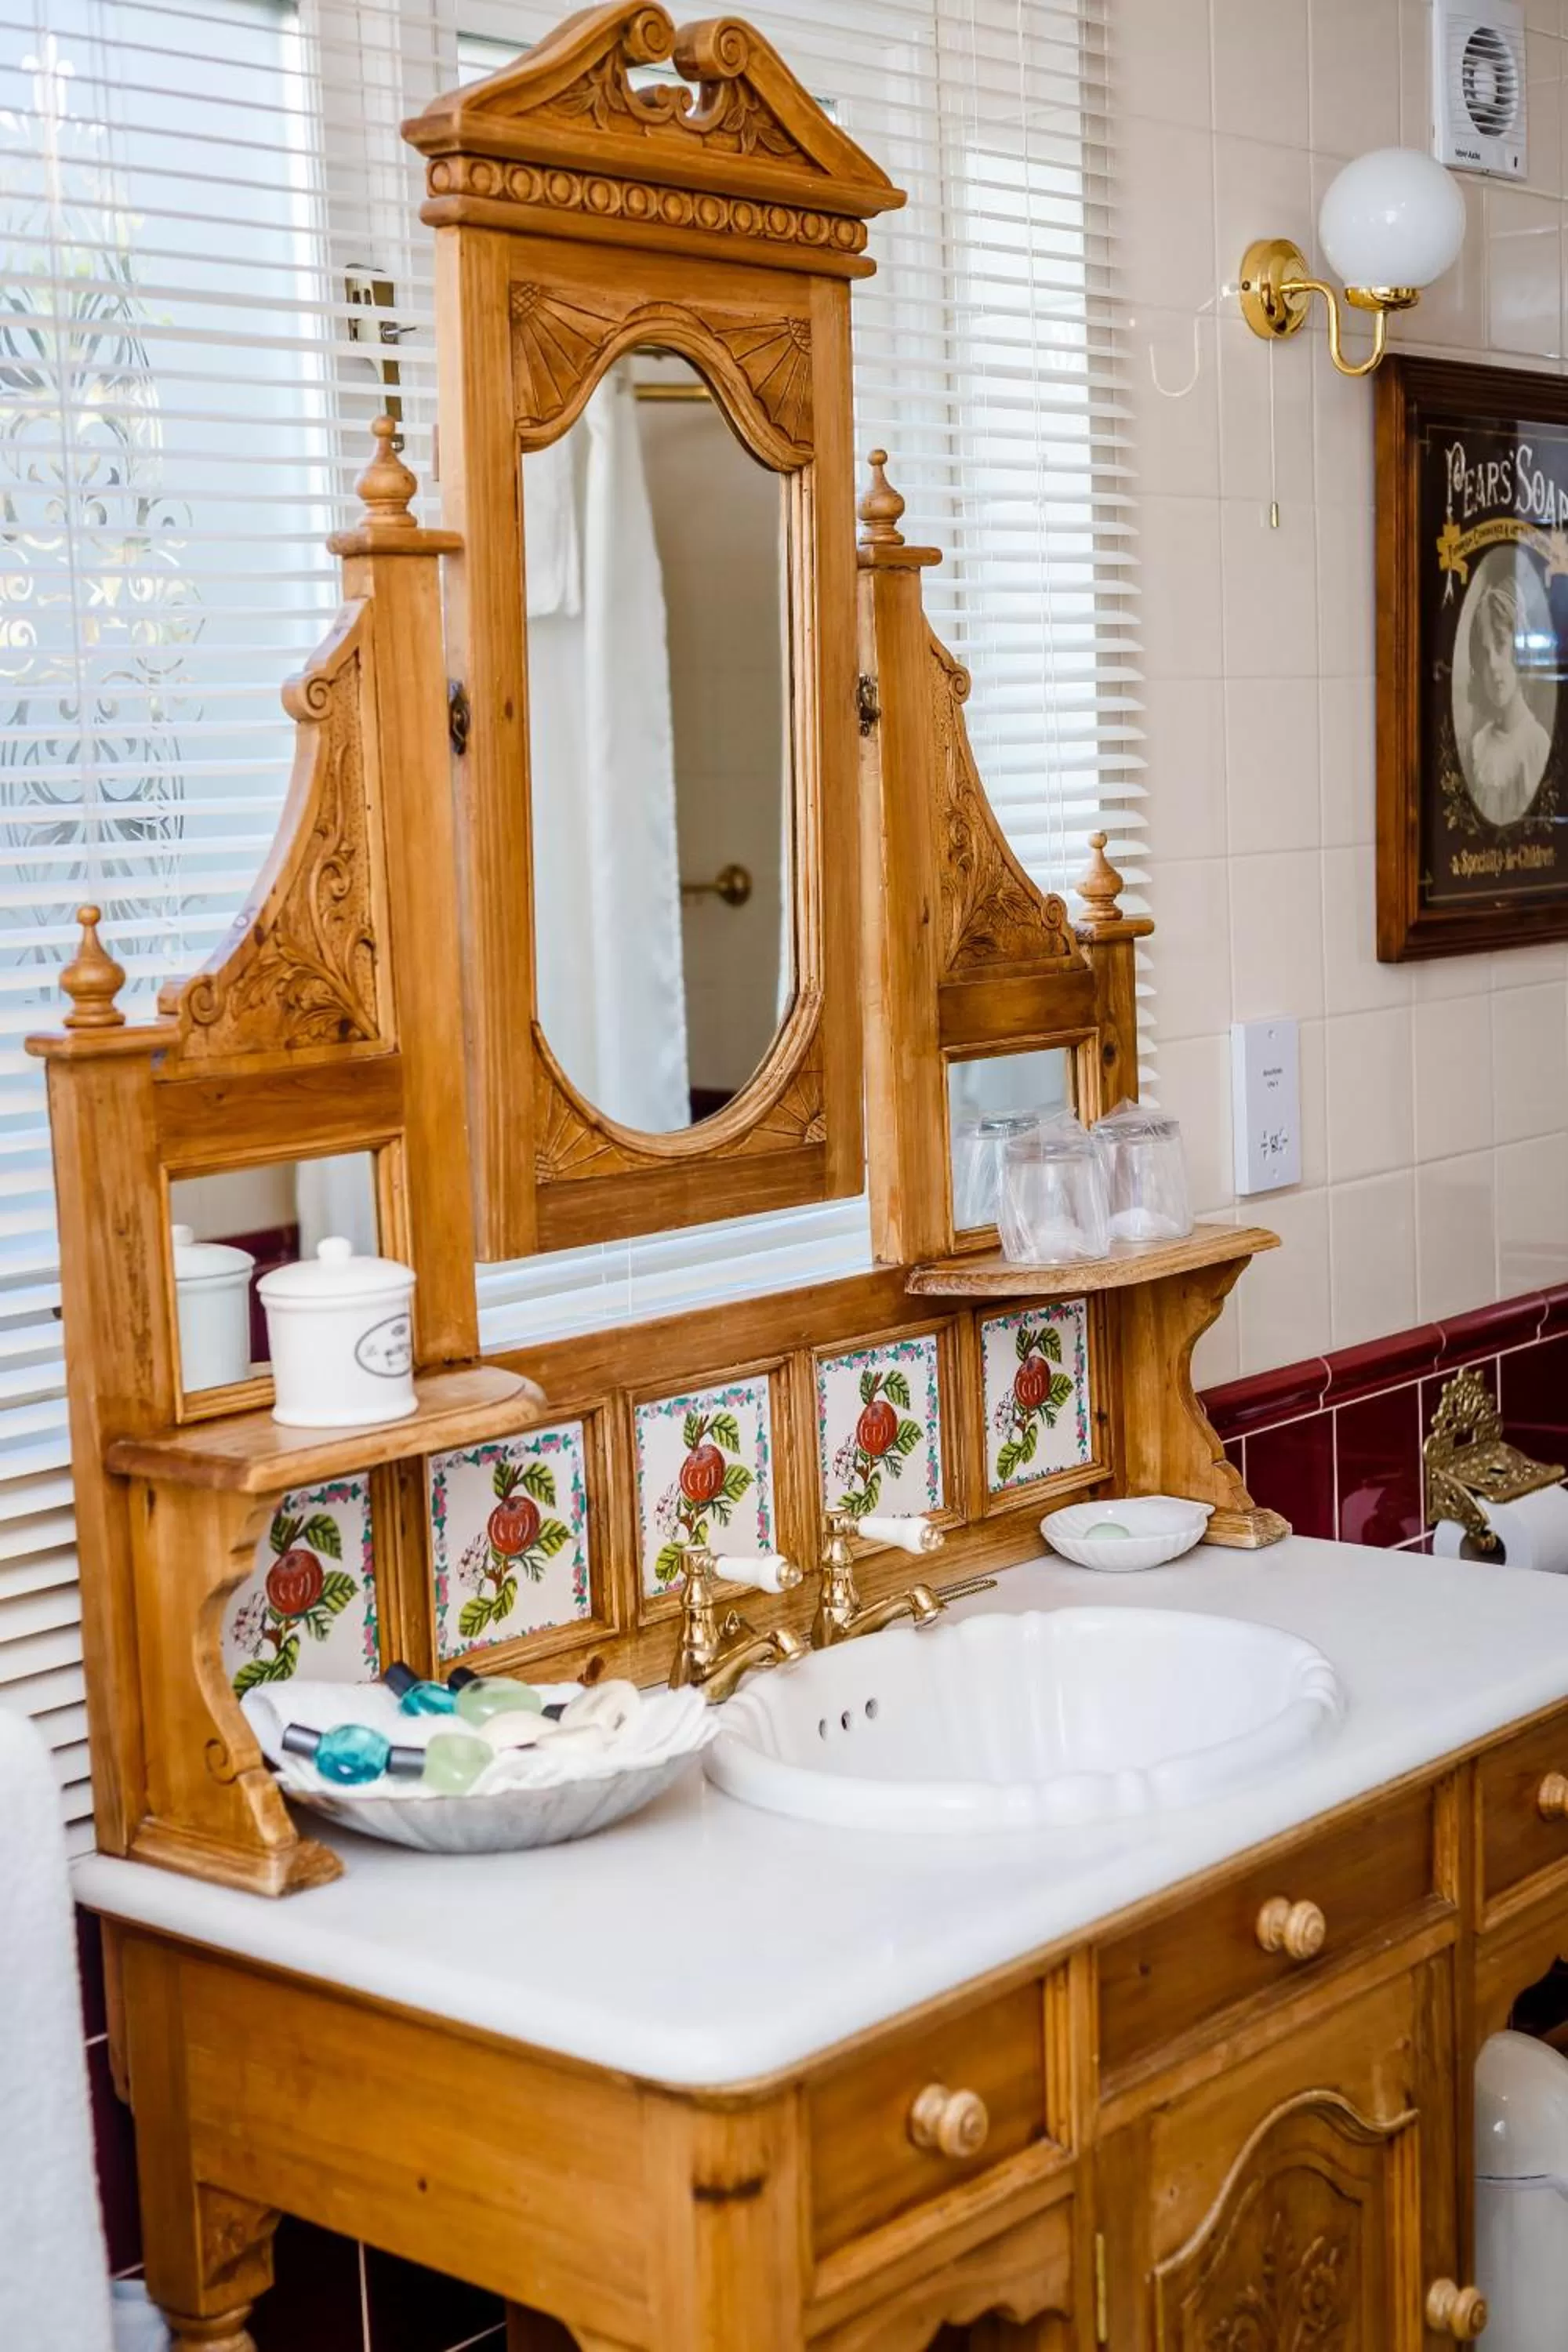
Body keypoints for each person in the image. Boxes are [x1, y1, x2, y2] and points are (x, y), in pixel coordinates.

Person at [1465, 570, 1553, 826]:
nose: (1492, 664)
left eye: (1501, 645)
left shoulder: (1536, 745)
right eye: (1484, 653)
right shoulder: (1479, 746)